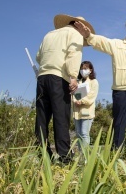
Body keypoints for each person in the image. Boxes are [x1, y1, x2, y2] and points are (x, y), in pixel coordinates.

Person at [75, 17, 126, 161]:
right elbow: (102, 42)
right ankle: (115, 157)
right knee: (119, 124)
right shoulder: (117, 44)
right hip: (122, 91)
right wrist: (89, 36)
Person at [36, 14, 94, 164]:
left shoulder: (49, 34)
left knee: (42, 118)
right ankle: (64, 157)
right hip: (59, 78)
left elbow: (38, 56)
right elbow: (73, 55)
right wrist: (73, 76)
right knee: (61, 118)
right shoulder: (75, 34)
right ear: (78, 25)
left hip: (42, 77)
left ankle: (42, 154)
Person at [72, 61, 99, 152]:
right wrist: (76, 100)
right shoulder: (77, 82)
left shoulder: (93, 82)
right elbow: (73, 94)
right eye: (82, 69)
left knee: (84, 133)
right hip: (77, 112)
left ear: (90, 70)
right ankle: (80, 155)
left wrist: (82, 101)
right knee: (78, 135)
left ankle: (85, 157)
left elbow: (92, 96)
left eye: (85, 68)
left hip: (87, 111)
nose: (83, 70)